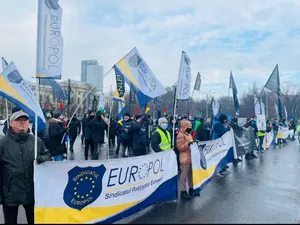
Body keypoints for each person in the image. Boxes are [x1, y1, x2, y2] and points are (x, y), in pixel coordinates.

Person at [0, 110, 52, 224]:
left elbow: (48, 155)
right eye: (18, 120)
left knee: (34, 221)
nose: (23, 122)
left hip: (32, 192)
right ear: (11, 123)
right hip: (10, 193)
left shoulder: (36, 141)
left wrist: (42, 158)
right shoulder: (3, 142)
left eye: (25, 120)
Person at [177, 119, 199, 200]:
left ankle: (191, 189)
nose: (190, 128)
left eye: (191, 126)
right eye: (189, 126)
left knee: (191, 175)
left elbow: (190, 143)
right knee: (184, 176)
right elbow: (180, 147)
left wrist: (194, 142)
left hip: (190, 157)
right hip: (184, 158)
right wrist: (188, 144)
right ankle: (183, 191)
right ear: (185, 126)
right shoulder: (180, 135)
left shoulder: (189, 134)